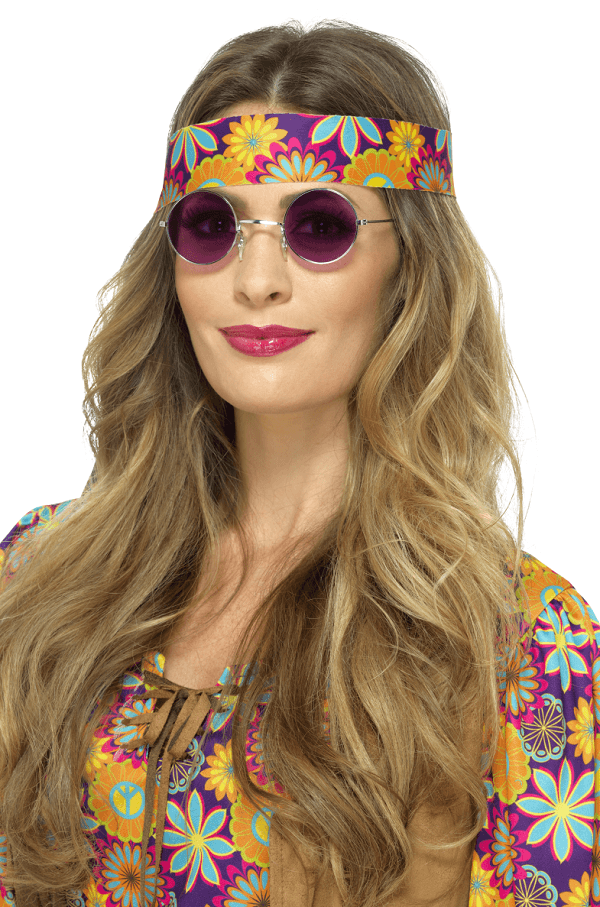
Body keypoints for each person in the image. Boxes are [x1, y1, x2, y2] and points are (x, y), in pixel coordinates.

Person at [0, 18, 597, 907]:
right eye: (213, 225)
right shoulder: (37, 574)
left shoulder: (521, 642)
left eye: (319, 226)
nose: (257, 280)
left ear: (409, 267)